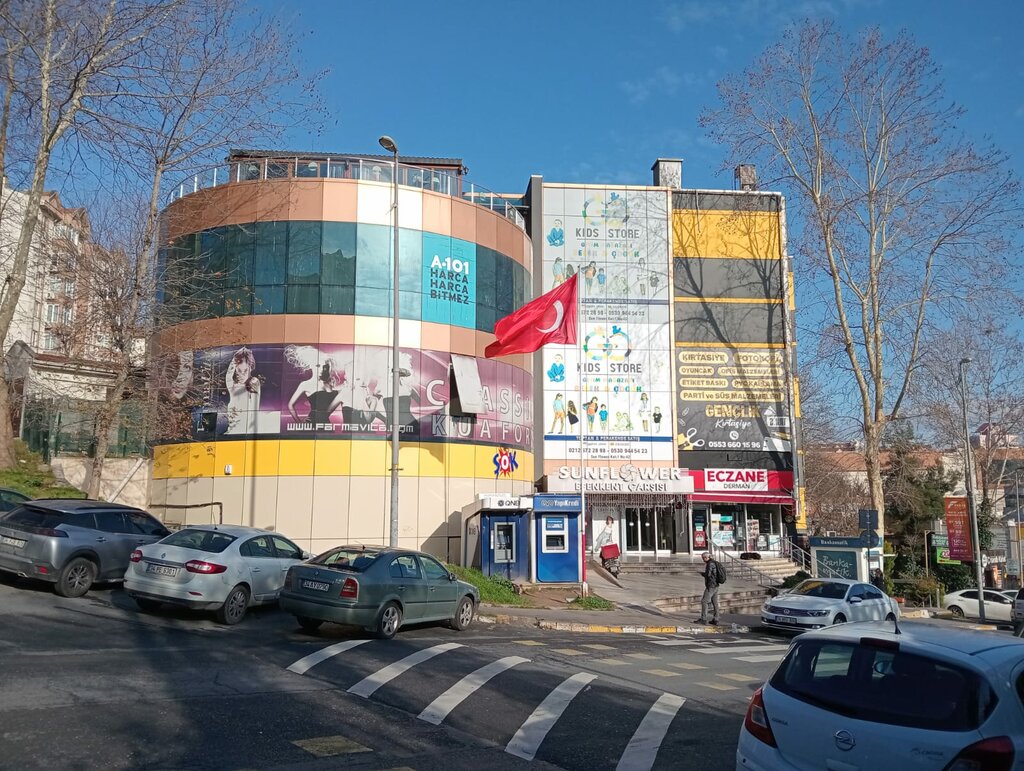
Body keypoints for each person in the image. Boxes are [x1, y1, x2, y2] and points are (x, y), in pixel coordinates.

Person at [225, 347, 260, 435]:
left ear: (250, 368)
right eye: (239, 371)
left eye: (245, 370)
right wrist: (235, 359)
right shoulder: (232, 387)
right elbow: (228, 374)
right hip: (232, 432)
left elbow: (254, 412)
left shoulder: (254, 382)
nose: (242, 374)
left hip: (244, 433)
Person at [696, 551, 723, 625]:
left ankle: (703, 619)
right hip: (716, 585)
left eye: (703, 558)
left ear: (706, 557)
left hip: (711, 585)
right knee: (715, 602)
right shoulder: (715, 562)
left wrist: (702, 574)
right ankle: (716, 619)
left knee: (704, 601)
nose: (703, 560)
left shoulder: (709, 564)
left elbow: (708, 575)